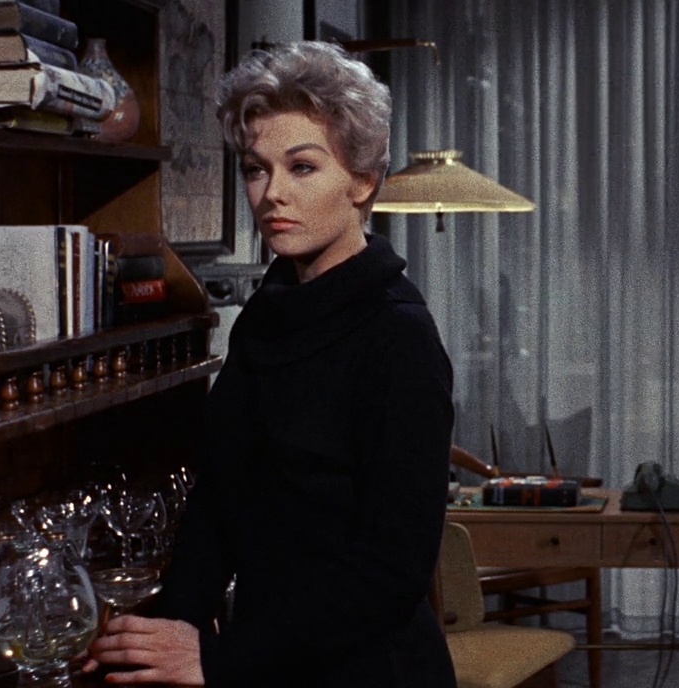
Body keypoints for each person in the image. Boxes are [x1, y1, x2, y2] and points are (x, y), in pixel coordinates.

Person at [84, 41, 457, 687]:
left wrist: (218, 657)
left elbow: (391, 573)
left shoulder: (398, 336)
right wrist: (167, 632)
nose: (272, 194)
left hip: (367, 671)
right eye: (257, 169)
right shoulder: (271, 310)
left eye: (302, 167)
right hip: (266, 658)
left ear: (363, 181)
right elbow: (221, 496)